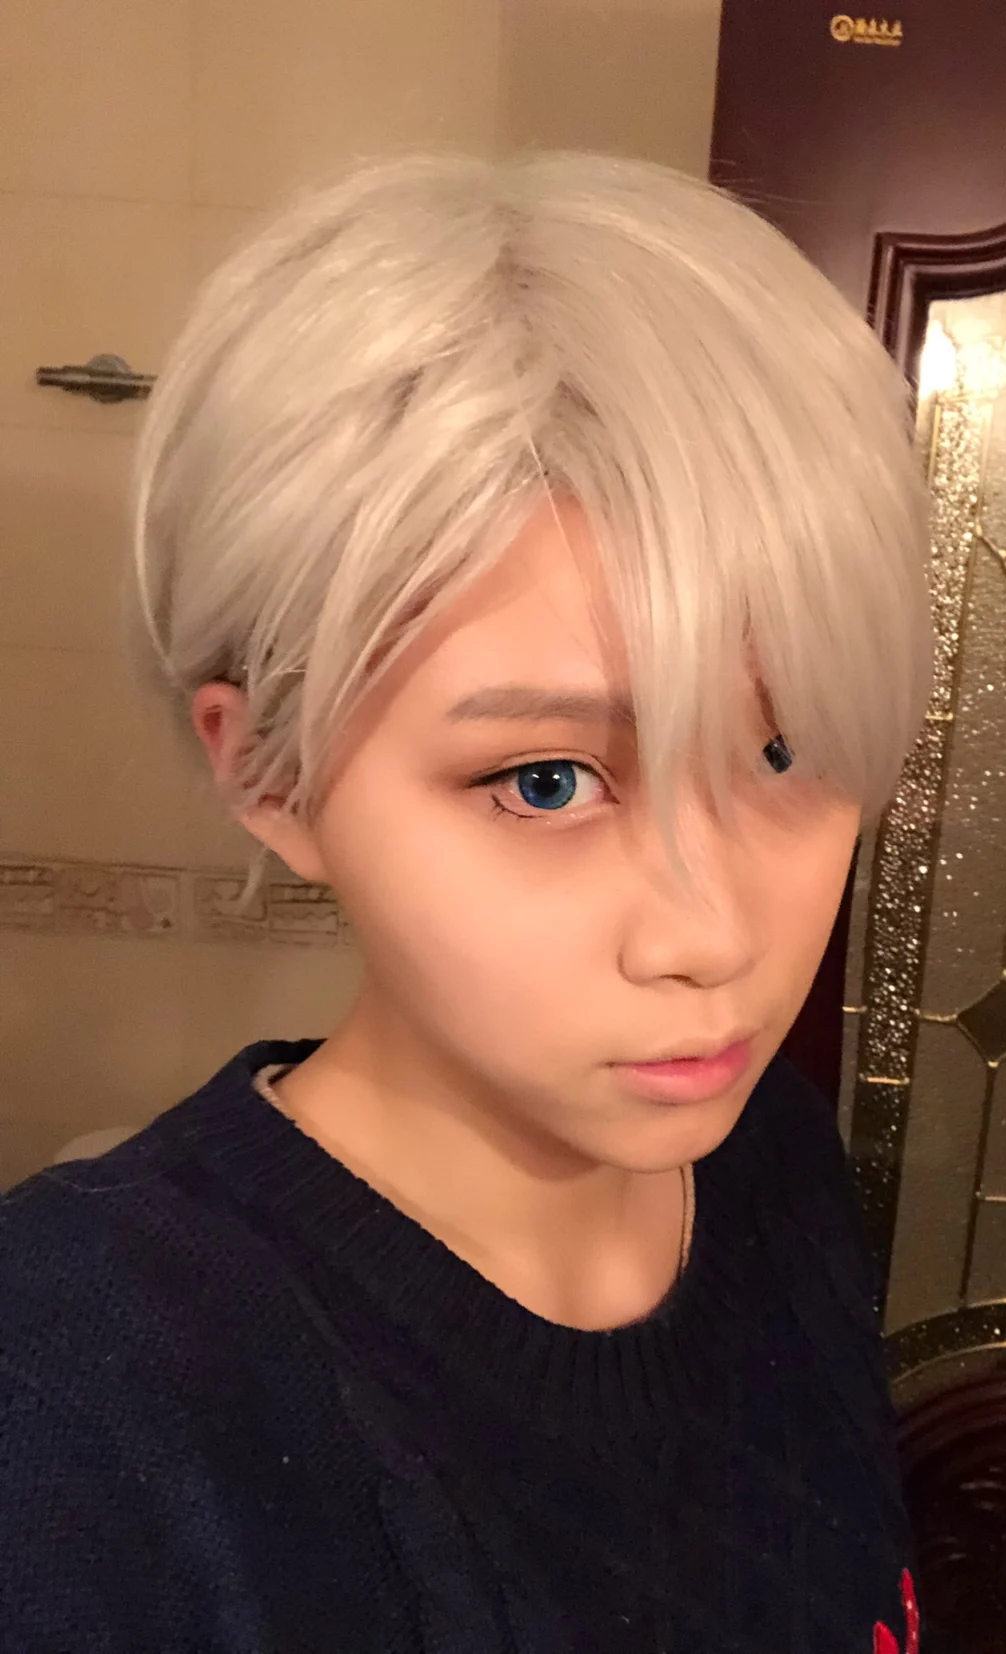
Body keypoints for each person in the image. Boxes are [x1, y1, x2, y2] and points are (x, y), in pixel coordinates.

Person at [0, 151, 931, 1652]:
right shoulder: (71, 1409)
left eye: (788, 747)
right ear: (272, 775)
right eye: (546, 781)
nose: (712, 938)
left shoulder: (770, 1157)